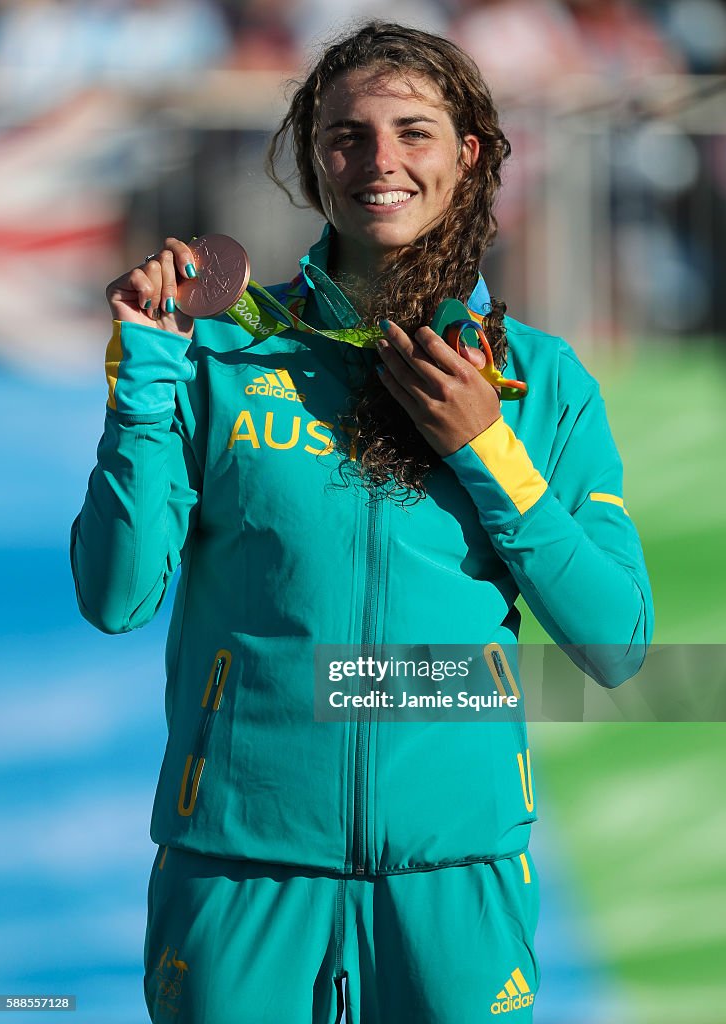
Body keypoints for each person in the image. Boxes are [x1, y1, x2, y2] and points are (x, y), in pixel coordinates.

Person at [70, 21, 654, 1024]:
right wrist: (145, 379)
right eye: (347, 136)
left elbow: (616, 642)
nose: (379, 162)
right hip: (240, 869)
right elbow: (117, 596)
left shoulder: (540, 382)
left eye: (413, 132)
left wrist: (486, 447)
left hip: (453, 874)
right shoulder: (221, 353)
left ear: (468, 155)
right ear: (314, 159)